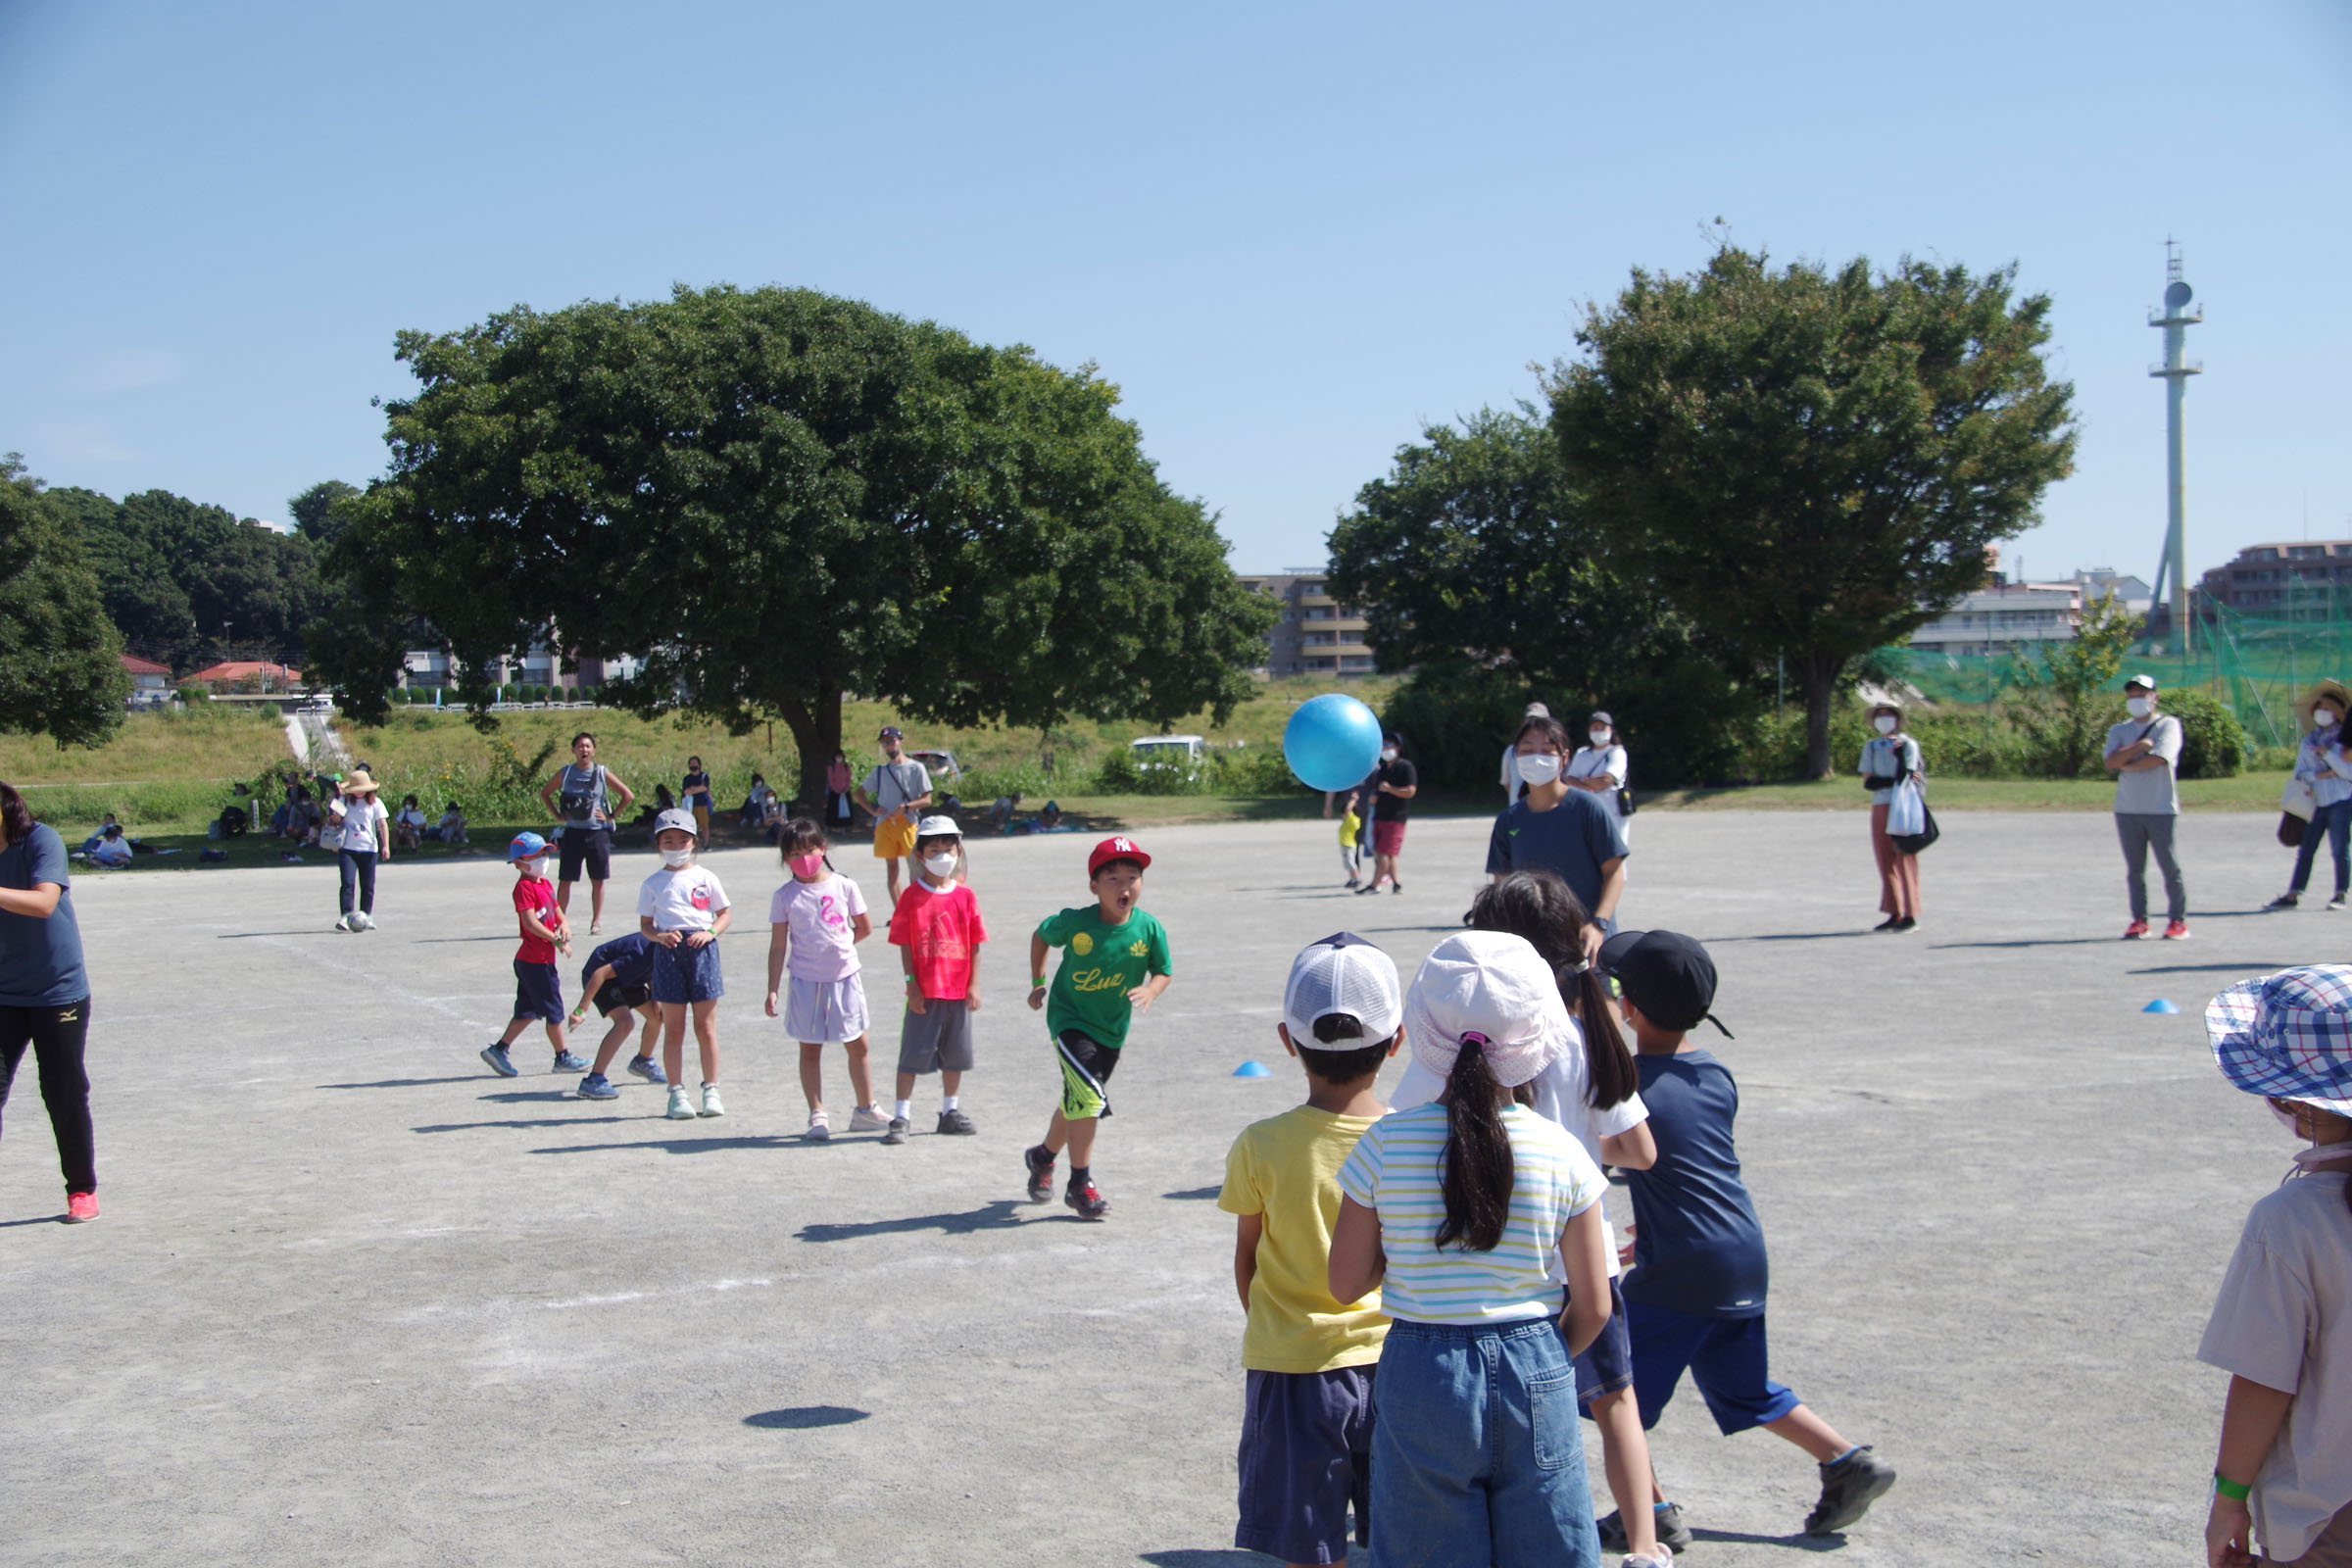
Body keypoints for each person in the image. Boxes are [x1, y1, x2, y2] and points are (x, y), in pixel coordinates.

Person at [1388, 872, 1666, 1562]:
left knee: (1492, 1437)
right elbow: (1639, 1148)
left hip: (1500, 1271)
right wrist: (1575, 1158)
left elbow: (1408, 1126)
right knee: (1614, 1407)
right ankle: (1647, 1540)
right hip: (1585, 1258)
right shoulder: (1584, 1033)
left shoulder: (1452, 1048)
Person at [1328, 930, 1618, 1568]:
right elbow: (1594, 1305)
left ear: (1423, 1029)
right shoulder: (1560, 1151)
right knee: (1550, 1543)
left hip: (1422, 1368)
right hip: (1535, 1358)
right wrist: (1539, 1355)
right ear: (1538, 1034)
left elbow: (1345, 1283)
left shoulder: (1384, 1143)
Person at [1602, 927, 1897, 1542]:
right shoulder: (1715, 1074)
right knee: (1743, 1388)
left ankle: (1651, 1514)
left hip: (1680, 1269)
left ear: (1628, 1007)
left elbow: (1607, 1151)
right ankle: (1846, 1461)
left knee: (1608, 1389)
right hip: (1738, 1252)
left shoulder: (1627, 1088)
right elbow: (1686, 1163)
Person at [1217, 932, 1401, 1568]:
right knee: (1401, 1536)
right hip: (1397, 1364)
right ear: (1398, 1039)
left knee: (1307, 1547)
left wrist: (1276, 1326)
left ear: (1287, 1041)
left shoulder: (1260, 1143)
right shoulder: (1410, 1139)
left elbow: (1247, 1259)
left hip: (1292, 1369)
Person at [2197, 965, 2352, 1568]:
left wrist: (2229, 1496)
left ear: (2289, 1101)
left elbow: (2264, 1379)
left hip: (2332, 1507)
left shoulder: (2291, 1221)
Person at [1022, 835, 1173, 1219]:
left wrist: (1151, 990)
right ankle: (1080, 1183)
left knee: (1077, 1099)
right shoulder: (1076, 922)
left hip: (1111, 1030)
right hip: (1069, 1020)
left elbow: (1164, 971)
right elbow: (1041, 936)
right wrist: (1038, 982)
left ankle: (1043, 1157)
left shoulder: (1148, 929)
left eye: (1132, 877)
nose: (1124, 887)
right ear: (1094, 886)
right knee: (1088, 1097)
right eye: (1113, 879)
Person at [0, 780, 100, 1223]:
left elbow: (44, 902)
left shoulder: (42, 840)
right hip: (5, 991)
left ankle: (81, 1189)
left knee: (63, 1092)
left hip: (57, 991)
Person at [763, 818, 883, 1142]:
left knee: (858, 1043)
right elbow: (778, 946)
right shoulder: (785, 896)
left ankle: (865, 1108)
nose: (804, 857)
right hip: (805, 980)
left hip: (844, 976)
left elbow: (864, 927)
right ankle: (817, 1113)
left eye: (810, 849)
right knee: (810, 1048)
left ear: (823, 848)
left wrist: (839, 947)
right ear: (785, 859)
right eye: (794, 853)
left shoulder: (845, 885)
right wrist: (773, 989)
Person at [1489, 715, 1630, 960]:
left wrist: (1599, 925)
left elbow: (1615, 873)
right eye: (1527, 750)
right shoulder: (1508, 820)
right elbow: (1502, 886)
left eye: (1546, 749)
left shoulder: (1588, 808)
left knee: (1600, 1000)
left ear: (1564, 758)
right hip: (1533, 946)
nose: (1536, 757)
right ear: (1515, 758)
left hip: (1588, 942)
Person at [882, 815, 987, 1145]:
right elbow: (904, 942)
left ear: (959, 850)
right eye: (934, 849)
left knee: (956, 1054)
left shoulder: (965, 896)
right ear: (920, 855)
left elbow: (974, 943)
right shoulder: (911, 897)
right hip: (925, 992)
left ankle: (949, 1111)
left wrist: (974, 985)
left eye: (948, 848)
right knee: (912, 1053)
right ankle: (901, 1115)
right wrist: (911, 982)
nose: (943, 855)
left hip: (957, 991)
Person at [638, 808, 732, 1121]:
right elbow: (646, 925)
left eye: (682, 840)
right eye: (669, 840)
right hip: (669, 953)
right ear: (658, 844)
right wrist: (659, 937)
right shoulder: (653, 883)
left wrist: (709, 933)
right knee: (674, 1028)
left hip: (702, 951)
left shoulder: (706, 877)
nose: (676, 846)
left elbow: (724, 914)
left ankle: (711, 1089)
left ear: (694, 842)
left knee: (705, 1027)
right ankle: (676, 1093)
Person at [479, 832, 587, 1078]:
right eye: (536, 855)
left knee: (528, 1011)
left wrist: (564, 925)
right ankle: (562, 1056)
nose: (542, 859)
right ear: (519, 863)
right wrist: (555, 938)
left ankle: (499, 1049)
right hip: (534, 961)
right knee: (554, 1010)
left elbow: (557, 910)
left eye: (544, 853)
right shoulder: (524, 888)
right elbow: (529, 923)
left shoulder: (545, 884)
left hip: (539, 959)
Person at [2104, 674, 2189, 940]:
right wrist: (2140, 747)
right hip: (2127, 807)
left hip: (2160, 806)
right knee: (2135, 869)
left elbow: (2159, 759)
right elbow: (2110, 761)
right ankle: (2139, 920)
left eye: (2142, 695)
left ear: (2155, 697)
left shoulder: (2168, 725)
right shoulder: (2119, 729)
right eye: (2131, 696)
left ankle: (2177, 920)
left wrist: (2127, 761)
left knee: (2169, 865)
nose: (2136, 700)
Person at [538, 731, 636, 937]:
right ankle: (560, 921)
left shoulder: (601, 772)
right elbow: (545, 793)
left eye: (588, 746)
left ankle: (596, 922)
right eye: (580, 746)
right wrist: (557, 815)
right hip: (573, 832)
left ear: (593, 750)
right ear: (573, 750)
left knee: (598, 879)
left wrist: (610, 816)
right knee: (565, 879)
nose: (584, 750)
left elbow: (627, 795)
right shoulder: (565, 773)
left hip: (597, 833)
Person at [2271, 680, 2352, 912]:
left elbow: (2347, 772)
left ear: (2338, 713)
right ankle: (2293, 893)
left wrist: (2328, 756)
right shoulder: (2309, 741)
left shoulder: (2344, 742)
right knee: (2306, 849)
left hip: (2341, 801)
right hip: (2315, 802)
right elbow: (2302, 774)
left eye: (2328, 709)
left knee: (2339, 849)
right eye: (2319, 708)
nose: (2322, 713)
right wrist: (2321, 774)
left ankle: (2340, 894)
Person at [566, 930, 667, 1100]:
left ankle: (643, 1061)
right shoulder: (640, 954)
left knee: (657, 1016)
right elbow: (600, 973)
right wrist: (580, 1010)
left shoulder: (664, 948)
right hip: (601, 979)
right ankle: (593, 1080)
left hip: (629, 979)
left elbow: (652, 970)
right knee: (625, 1023)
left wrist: (656, 996)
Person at [1858, 703, 1924, 933]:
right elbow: (1869, 781)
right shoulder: (1872, 746)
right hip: (1880, 804)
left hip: (1903, 805)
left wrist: (1897, 760)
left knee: (1904, 856)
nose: (1883, 719)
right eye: (1879, 715)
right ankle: (1893, 910)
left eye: (1888, 715)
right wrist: (1891, 779)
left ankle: (1911, 913)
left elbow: (1911, 776)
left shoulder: (1908, 744)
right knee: (1885, 858)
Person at [856, 725, 933, 907]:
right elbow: (859, 793)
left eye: (891, 741)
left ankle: (918, 908)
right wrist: (873, 810)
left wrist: (907, 807)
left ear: (900, 741)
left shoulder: (916, 768)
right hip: (885, 824)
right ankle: (899, 911)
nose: (889, 746)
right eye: (885, 743)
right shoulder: (880, 771)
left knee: (915, 868)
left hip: (907, 823)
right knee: (892, 871)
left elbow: (927, 800)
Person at [327, 767, 391, 933]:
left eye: (362, 790)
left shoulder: (376, 803)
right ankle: (346, 915)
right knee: (347, 883)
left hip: (369, 848)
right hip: (348, 848)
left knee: (368, 884)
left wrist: (386, 845)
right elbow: (336, 819)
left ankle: (366, 914)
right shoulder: (345, 801)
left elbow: (382, 824)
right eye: (356, 790)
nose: (359, 793)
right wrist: (337, 806)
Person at [1355, 733, 1416, 896]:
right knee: (1389, 853)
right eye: (1384, 746)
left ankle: (1375, 884)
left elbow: (1410, 791)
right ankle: (1397, 883)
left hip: (1395, 818)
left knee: (1383, 852)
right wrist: (1375, 796)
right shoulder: (1382, 769)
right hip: (1380, 816)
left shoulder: (1406, 767)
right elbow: (1377, 789)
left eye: (1390, 745)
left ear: (1398, 748)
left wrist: (1390, 789)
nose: (1386, 749)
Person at [1567, 710, 1633, 844]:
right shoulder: (1582, 753)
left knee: (1614, 849)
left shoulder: (1617, 752)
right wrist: (1589, 785)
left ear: (1610, 730)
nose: (1598, 731)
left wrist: (1584, 781)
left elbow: (1606, 780)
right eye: (1594, 727)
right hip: (1586, 809)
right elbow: (1569, 779)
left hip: (1613, 811)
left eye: (1602, 727)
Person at [1500, 701, 1553, 804]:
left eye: (1539, 721)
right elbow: (1507, 784)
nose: (1533, 725)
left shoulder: (1555, 751)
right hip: (1518, 811)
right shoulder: (1511, 751)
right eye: (1530, 720)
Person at [680, 756, 714, 847]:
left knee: (704, 826)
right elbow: (686, 791)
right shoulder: (687, 778)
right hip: (690, 806)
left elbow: (704, 788)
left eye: (695, 763)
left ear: (699, 765)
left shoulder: (704, 776)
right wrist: (697, 789)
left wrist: (693, 789)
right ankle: (693, 845)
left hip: (702, 804)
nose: (693, 765)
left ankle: (706, 844)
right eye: (691, 764)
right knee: (690, 827)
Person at [825, 750, 855, 828]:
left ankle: (846, 825)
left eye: (840, 756)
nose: (839, 758)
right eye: (837, 756)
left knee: (846, 808)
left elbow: (848, 778)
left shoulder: (846, 767)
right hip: (835, 792)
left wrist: (845, 788)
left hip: (845, 791)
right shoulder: (831, 767)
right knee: (833, 809)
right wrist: (836, 790)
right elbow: (830, 780)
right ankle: (833, 825)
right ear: (834, 758)